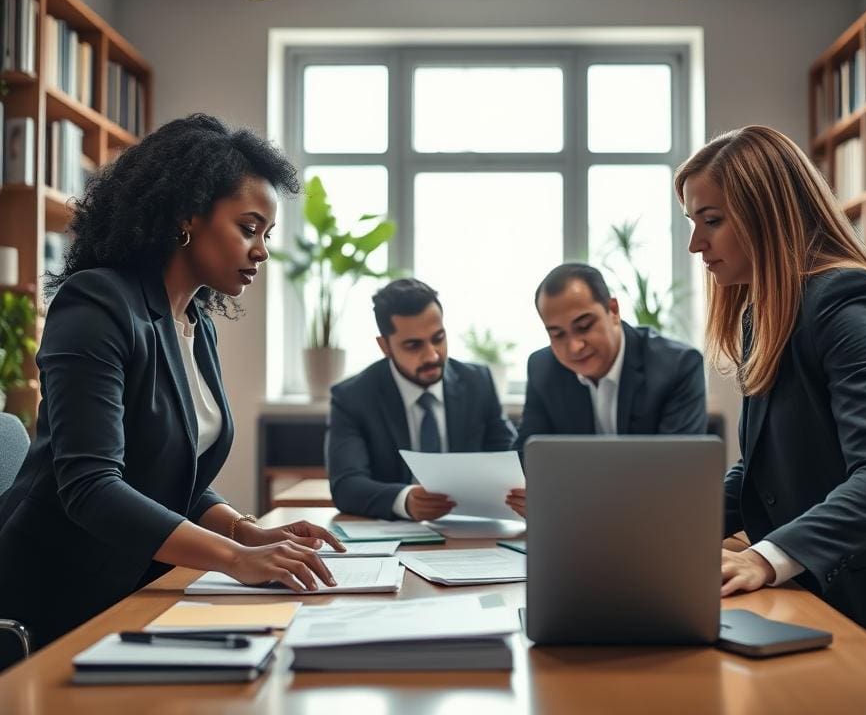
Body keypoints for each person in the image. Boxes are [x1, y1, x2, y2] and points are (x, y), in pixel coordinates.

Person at [0, 114, 344, 663]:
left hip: (137, 587)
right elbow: (91, 486)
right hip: (56, 598)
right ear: (187, 214)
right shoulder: (97, 304)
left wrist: (244, 530)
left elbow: (172, 470)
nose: (262, 251)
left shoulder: (195, 322)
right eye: (249, 228)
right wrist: (232, 557)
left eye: (267, 235)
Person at [677, 124, 866, 661]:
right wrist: (667, 529)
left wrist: (763, 558)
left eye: (711, 221)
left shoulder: (847, 301)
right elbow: (762, 472)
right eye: (693, 224)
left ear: (767, 214)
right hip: (820, 586)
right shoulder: (763, 314)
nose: (696, 244)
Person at [507, 263, 707, 517]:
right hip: (571, 528)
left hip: (656, 522)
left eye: (584, 326)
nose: (574, 347)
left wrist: (567, 495)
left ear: (613, 310)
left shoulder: (677, 366)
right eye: (557, 335)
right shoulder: (543, 368)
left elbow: (676, 473)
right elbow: (527, 459)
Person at [327, 278, 516, 520]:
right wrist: (404, 500)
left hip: (474, 529)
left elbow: (508, 460)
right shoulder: (352, 397)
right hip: (396, 535)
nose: (432, 355)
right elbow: (346, 485)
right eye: (413, 345)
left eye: (438, 338)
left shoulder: (477, 382)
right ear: (385, 346)